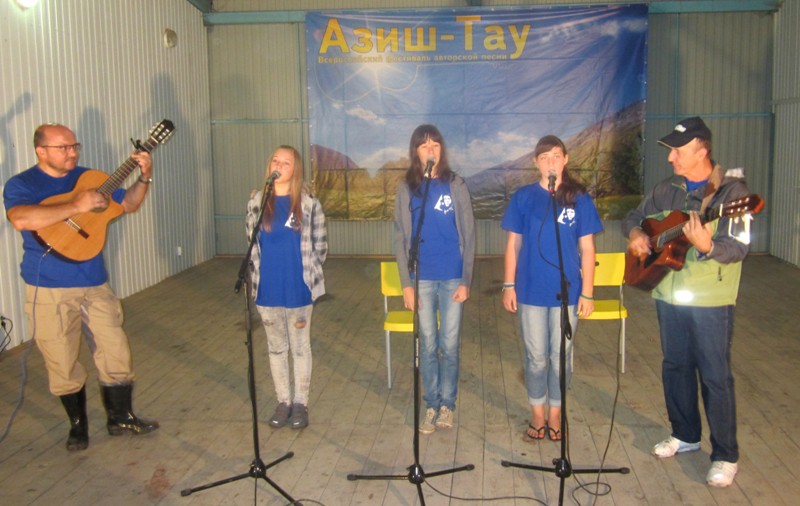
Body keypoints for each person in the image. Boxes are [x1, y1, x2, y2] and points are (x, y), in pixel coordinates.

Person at [3, 123, 159, 452]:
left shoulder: (91, 178)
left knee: (115, 349)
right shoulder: (22, 183)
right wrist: (76, 206)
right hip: (49, 286)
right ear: (41, 151)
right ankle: (78, 425)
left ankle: (120, 416)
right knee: (60, 357)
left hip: (94, 280)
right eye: (63, 148)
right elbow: (20, 219)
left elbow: (128, 204)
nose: (72, 153)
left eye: (74, 146)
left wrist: (144, 177)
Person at [622, 117, 751, 488]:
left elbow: (738, 247)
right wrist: (636, 234)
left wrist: (707, 245)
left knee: (714, 376)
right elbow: (634, 217)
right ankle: (685, 434)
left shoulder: (731, 193)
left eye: (677, 151)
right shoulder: (667, 189)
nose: (671, 158)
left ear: (702, 149)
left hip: (711, 300)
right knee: (675, 367)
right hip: (669, 295)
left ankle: (725, 455)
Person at [501, 135, 602, 442]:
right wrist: (508, 285)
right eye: (544, 157)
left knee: (561, 356)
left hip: (567, 292)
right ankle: (537, 412)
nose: (551, 162)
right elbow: (513, 245)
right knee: (535, 357)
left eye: (556, 156)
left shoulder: (579, 198)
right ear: (536, 163)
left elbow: (587, 249)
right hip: (530, 290)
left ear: (566, 160)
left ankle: (556, 413)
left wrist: (587, 292)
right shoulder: (523, 198)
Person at [393, 124, 475, 434]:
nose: (431, 150)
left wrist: (466, 279)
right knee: (427, 345)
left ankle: (447, 405)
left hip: (452, 276)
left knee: (449, 346)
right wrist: (406, 283)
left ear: (442, 150)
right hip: (422, 279)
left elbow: (469, 233)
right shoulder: (406, 188)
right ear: (415, 151)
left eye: (436, 145)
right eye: (425, 145)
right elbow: (400, 237)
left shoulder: (456, 184)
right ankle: (431, 404)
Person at [245, 145, 327, 430]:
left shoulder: (308, 204)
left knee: (300, 348)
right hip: (267, 290)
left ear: (296, 170)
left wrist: (308, 272)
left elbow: (320, 246)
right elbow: (252, 244)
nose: (279, 166)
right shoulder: (256, 202)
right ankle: (284, 401)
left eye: (286, 162)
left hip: (298, 289)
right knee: (276, 348)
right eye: (275, 161)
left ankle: (301, 404)